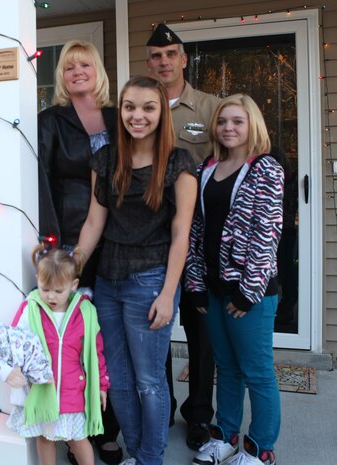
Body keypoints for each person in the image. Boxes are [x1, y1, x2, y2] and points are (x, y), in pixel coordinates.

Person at [76, 75, 197, 465]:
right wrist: (70, 267)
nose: (137, 115)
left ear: (162, 113)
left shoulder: (179, 162)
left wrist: (168, 294)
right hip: (108, 282)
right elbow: (95, 223)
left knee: (149, 381)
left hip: (151, 280)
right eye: (129, 107)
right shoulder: (106, 159)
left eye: (148, 107)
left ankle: (150, 458)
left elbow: (181, 235)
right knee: (121, 383)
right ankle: (139, 452)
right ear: (121, 110)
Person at [37, 39, 123, 464]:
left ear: (97, 71)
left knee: (113, 333)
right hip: (74, 237)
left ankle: (111, 426)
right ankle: (78, 429)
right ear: (61, 76)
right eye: (69, 67)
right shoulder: (50, 120)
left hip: (121, 236)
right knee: (77, 338)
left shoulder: (116, 116)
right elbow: (43, 181)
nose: (76, 72)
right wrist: (53, 242)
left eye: (84, 64)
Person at [186, 94, 283, 465]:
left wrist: (247, 293)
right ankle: (225, 436)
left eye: (237, 121)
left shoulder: (266, 169)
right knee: (225, 367)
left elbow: (267, 232)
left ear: (251, 125)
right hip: (211, 287)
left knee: (256, 372)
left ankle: (260, 449)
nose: (228, 127)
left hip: (249, 294)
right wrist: (194, 283)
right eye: (223, 121)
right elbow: (197, 230)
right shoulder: (207, 169)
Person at [146, 22, 222, 450]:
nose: (164, 62)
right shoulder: (139, 105)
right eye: (156, 56)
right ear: (149, 61)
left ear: (183, 58)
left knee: (201, 331)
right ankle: (164, 405)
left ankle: (199, 415)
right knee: (155, 328)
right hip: (150, 234)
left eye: (170, 54)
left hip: (200, 236)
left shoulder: (209, 108)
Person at [8, 243, 110, 465]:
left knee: (78, 439)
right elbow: (16, 341)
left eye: (58, 290)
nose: (51, 296)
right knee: (45, 438)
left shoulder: (85, 313)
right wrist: (13, 368)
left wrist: (102, 385)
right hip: (43, 389)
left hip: (73, 389)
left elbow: (96, 353)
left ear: (73, 285)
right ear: (37, 280)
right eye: (45, 289)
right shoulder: (31, 309)